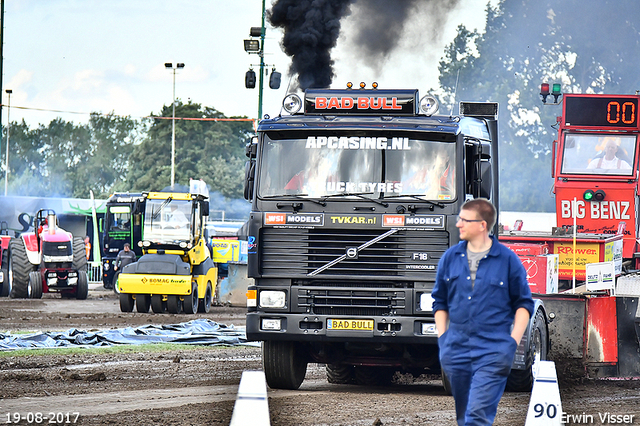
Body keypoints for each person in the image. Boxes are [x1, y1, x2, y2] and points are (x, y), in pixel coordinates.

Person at [431, 198, 534, 426]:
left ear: (482, 225)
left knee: (476, 416)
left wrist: (512, 342)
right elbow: (439, 301)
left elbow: (524, 304)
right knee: (463, 416)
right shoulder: (450, 258)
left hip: (492, 351)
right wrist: (443, 338)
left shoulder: (507, 260)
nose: (458, 224)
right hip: (456, 351)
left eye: (464, 220)